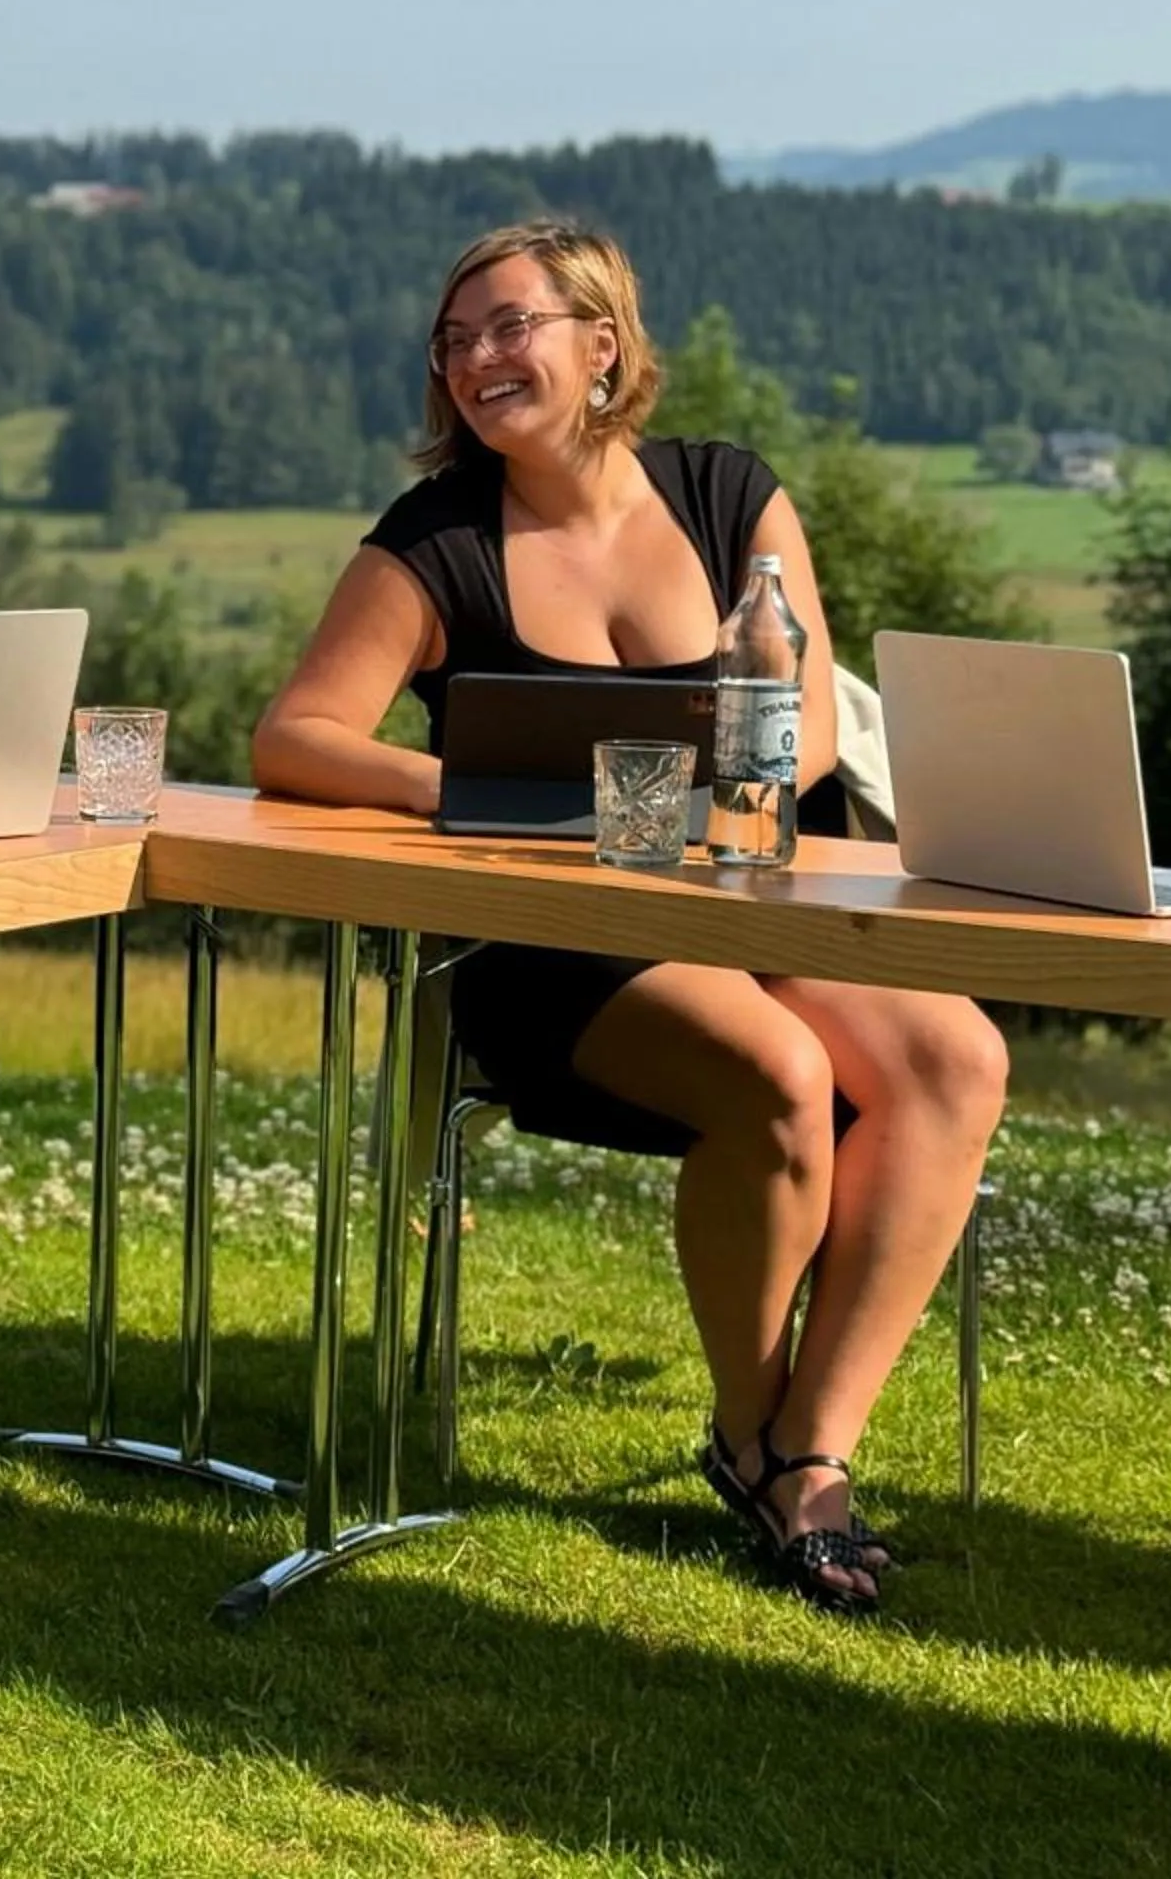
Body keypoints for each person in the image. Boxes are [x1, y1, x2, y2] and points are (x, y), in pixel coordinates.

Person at [250, 220, 1007, 1613]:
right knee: (778, 1077)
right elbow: (295, 739)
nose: (478, 356)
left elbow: (814, 732)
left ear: (602, 345)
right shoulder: (435, 543)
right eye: (454, 337)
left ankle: (806, 1443)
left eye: (510, 325)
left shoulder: (730, 496)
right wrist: (491, 793)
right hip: (558, 947)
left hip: (768, 898)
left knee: (958, 1058)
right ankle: (760, 1441)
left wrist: (724, 829)